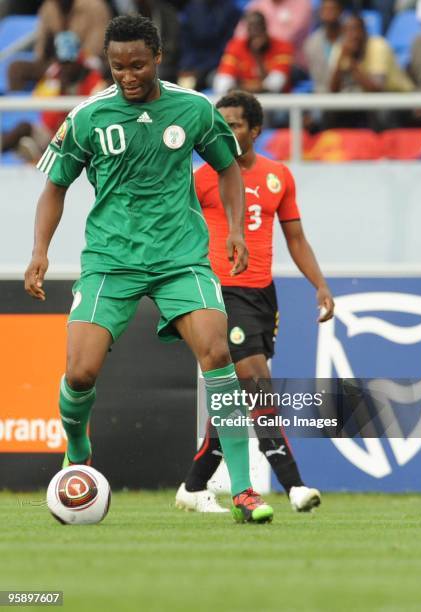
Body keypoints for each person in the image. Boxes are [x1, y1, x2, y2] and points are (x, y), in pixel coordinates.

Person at [24, 16, 273, 525]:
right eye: (118, 66)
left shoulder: (194, 109)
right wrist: (40, 251)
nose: (127, 75)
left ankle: (244, 491)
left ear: (157, 58)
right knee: (80, 371)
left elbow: (227, 166)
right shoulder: (89, 116)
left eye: (137, 65)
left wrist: (235, 231)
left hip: (180, 258)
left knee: (218, 351)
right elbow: (55, 187)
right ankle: (79, 451)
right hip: (111, 261)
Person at [175, 91, 334, 514]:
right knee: (255, 381)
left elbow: (295, 238)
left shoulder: (278, 176)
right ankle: (293, 484)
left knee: (239, 391)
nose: (227, 130)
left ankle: (193, 485)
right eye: (220, 122)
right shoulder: (198, 177)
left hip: (262, 295)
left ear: (255, 130)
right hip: (218, 293)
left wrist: (319, 284)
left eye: (236, 123)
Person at [2, 32, 105, 162]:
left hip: (81, 138)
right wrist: (59, 88)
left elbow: (92, 118)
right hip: (53, 134)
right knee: (23, 128)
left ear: (79, 59)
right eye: (63, 62)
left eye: (69, 62)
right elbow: (39, 101)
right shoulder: (55, 76)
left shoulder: (94, 80)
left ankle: (39, 157)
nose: (66, 67)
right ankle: (35, 153)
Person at [327, 14, 413, 128]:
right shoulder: (340, 49)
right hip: (364, 99)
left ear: (364, 32)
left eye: (355, 30)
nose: (352, 36)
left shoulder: (378, 46)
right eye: (347, 31)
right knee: (329, 111)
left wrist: (352, 65)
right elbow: (333, 91)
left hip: (398, 96)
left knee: (380, 111)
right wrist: (339, 62)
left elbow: (376, 90)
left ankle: (383, 145)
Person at [8, 0, 112, 91]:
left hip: (88, 62)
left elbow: (97, 46)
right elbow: (41, 46)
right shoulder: (48, 6)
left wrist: (73, 61)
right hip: (55, 62)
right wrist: (52, 63)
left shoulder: (95, 6)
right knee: (16, 69)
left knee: (70, 71)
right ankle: (20, 112)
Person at [213, 11, 294, 95]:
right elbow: (222, 84)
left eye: (259, 27)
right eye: (252, 27)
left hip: (275, 102)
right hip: (242, 100)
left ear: (265, 27)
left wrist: (258, 56)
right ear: (247, 29)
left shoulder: (282, 47)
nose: (256, 32)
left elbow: (274, 86)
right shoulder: (235, 47)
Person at [177, 0, 242, 91]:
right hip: (194, 66)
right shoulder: (191, 9)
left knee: (221, 83)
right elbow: (187, 44)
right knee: (184, 87)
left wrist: (204, 68)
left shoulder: (231, 10)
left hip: (218, 66)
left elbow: (228, 45)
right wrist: (187, 66)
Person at [233, 0, 312, 72]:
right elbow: (239, 35)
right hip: (255, 62)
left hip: (292, 63)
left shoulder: (302, 3)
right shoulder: (257, 4)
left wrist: (260, 39)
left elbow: (287, 38)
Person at [305, 0, 344, 93]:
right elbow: (317, 78)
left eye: (332, 9)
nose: (329, 13)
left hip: (347, 96)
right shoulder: (312, 43)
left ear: (341, 11)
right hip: (322, 96)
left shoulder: (350, 39)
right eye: (325, 9)